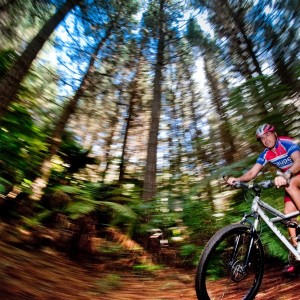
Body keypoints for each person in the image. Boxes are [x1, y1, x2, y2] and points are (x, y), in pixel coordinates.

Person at [226, 124, 300, 273]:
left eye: (267, 135)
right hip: (290, 181)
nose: (265, 140)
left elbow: (298, 161)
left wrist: (286, 174)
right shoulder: (266, 154)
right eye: (261, 138)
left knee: (289, 184)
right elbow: (252, 173)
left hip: (294, 175)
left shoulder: (285, 143)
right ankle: (297, 253)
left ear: (275, 134)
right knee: (289, 215)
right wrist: (237, 180)